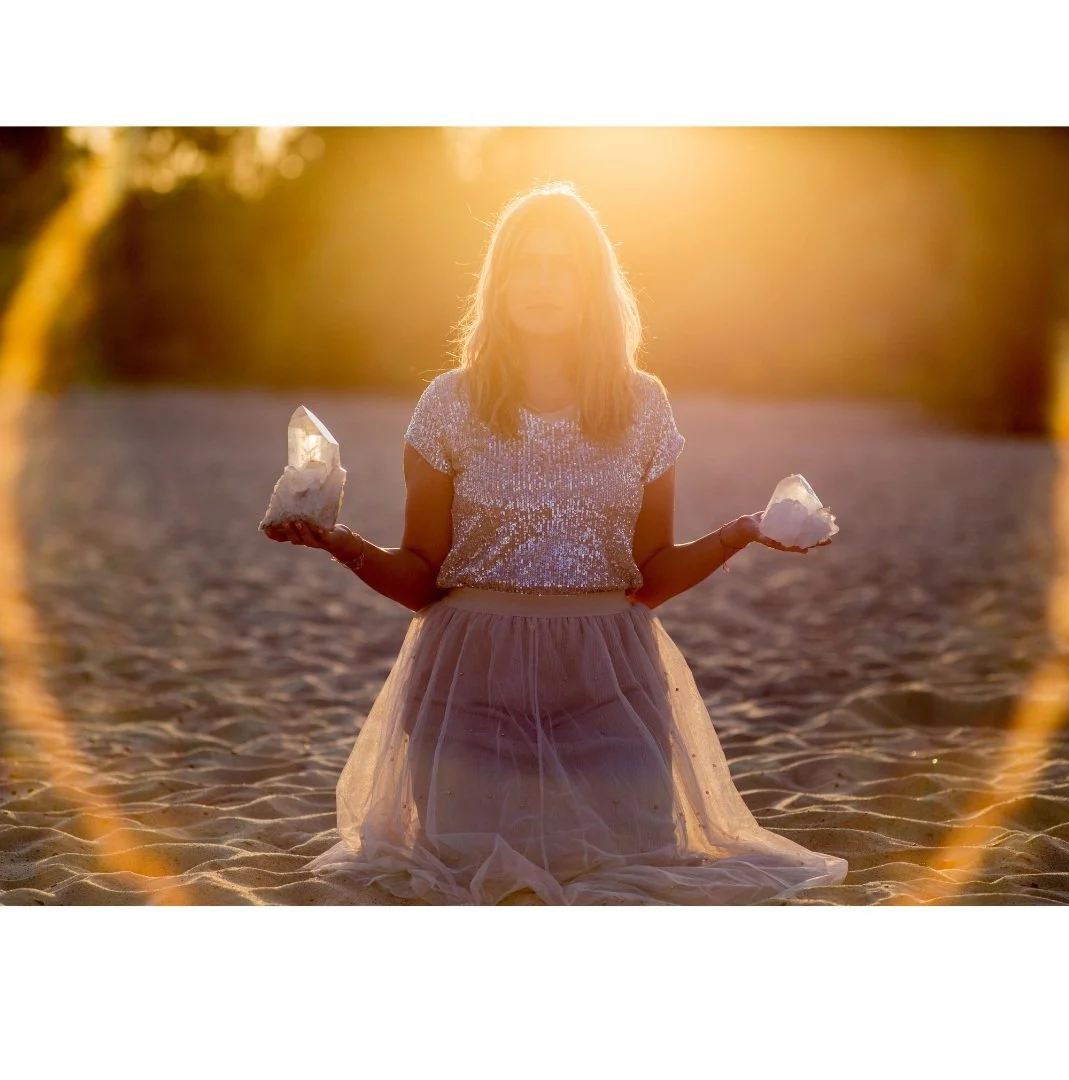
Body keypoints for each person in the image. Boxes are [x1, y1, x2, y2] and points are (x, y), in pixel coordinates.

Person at [262, 181, 847, 905]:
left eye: (561, 264)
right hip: (470, 688)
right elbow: (421, 581)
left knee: (621, 871)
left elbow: (649, 579)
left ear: (590, 284)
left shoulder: (643, 404)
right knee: (475, 876)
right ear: (498, 284)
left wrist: (745, 532)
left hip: (607, 684)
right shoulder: (448, 402)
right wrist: (339, 542)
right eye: (525, 265)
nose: (542, 282)